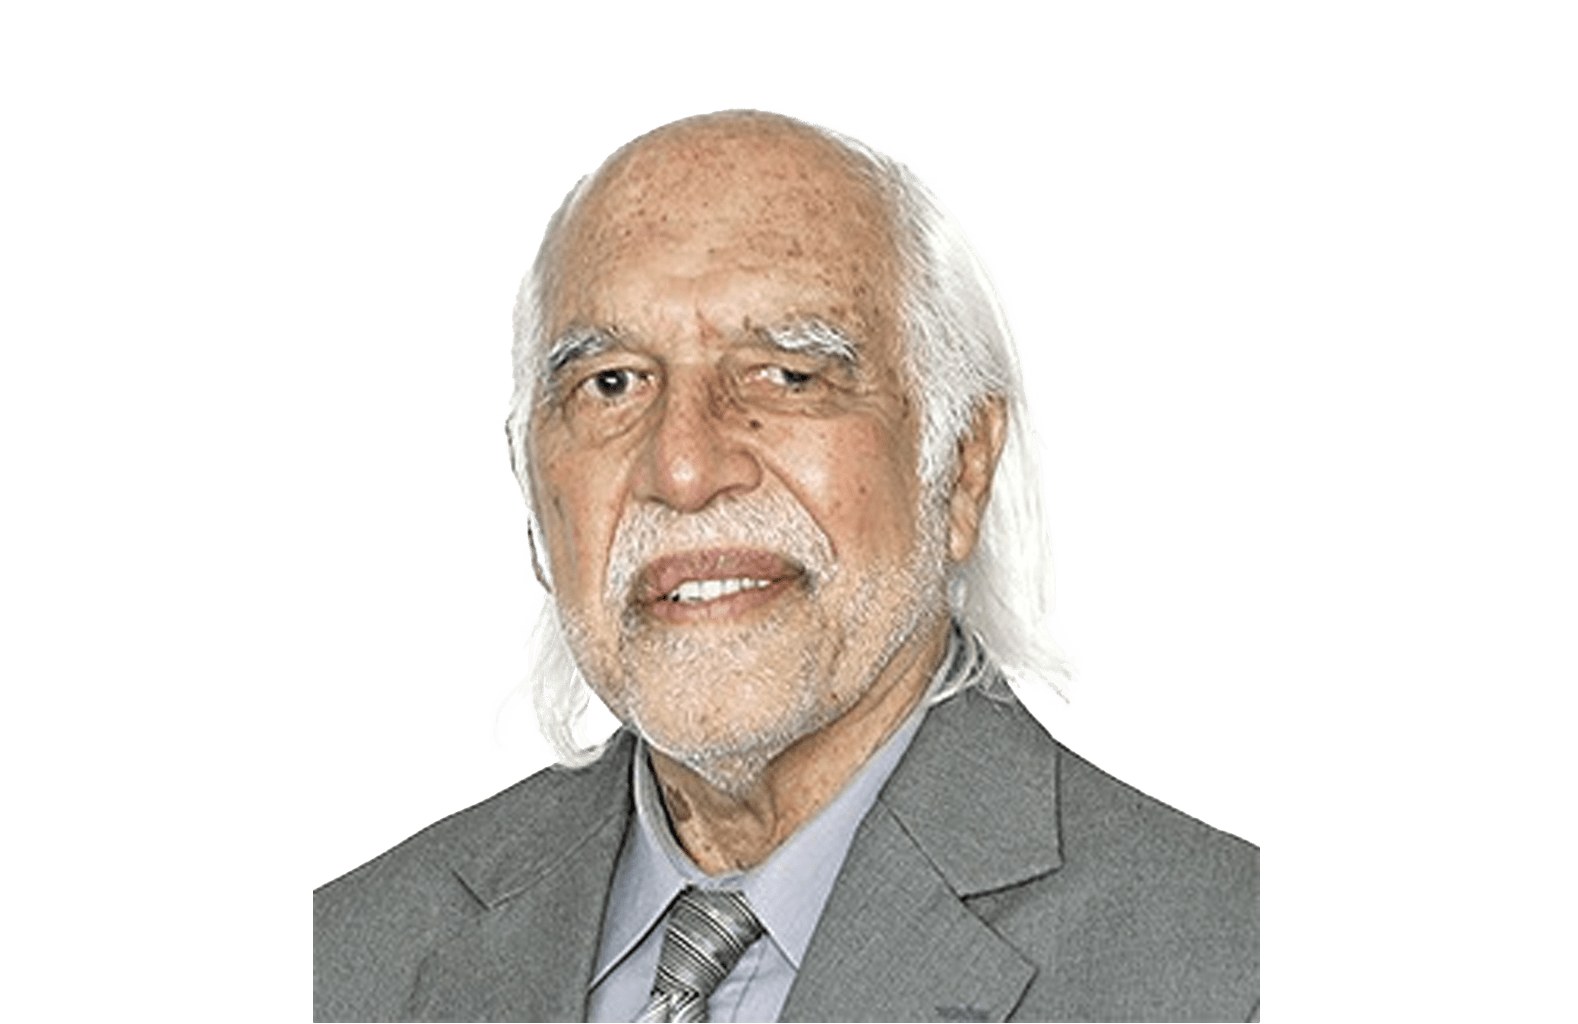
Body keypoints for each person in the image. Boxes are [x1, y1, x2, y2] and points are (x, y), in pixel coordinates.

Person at [313, 108, 1259, 1024]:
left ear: (962, 467)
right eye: (612, 383)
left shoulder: (1235, 968)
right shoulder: (342, 961)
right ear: (534, 496)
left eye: (789, 374)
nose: (684, 469)